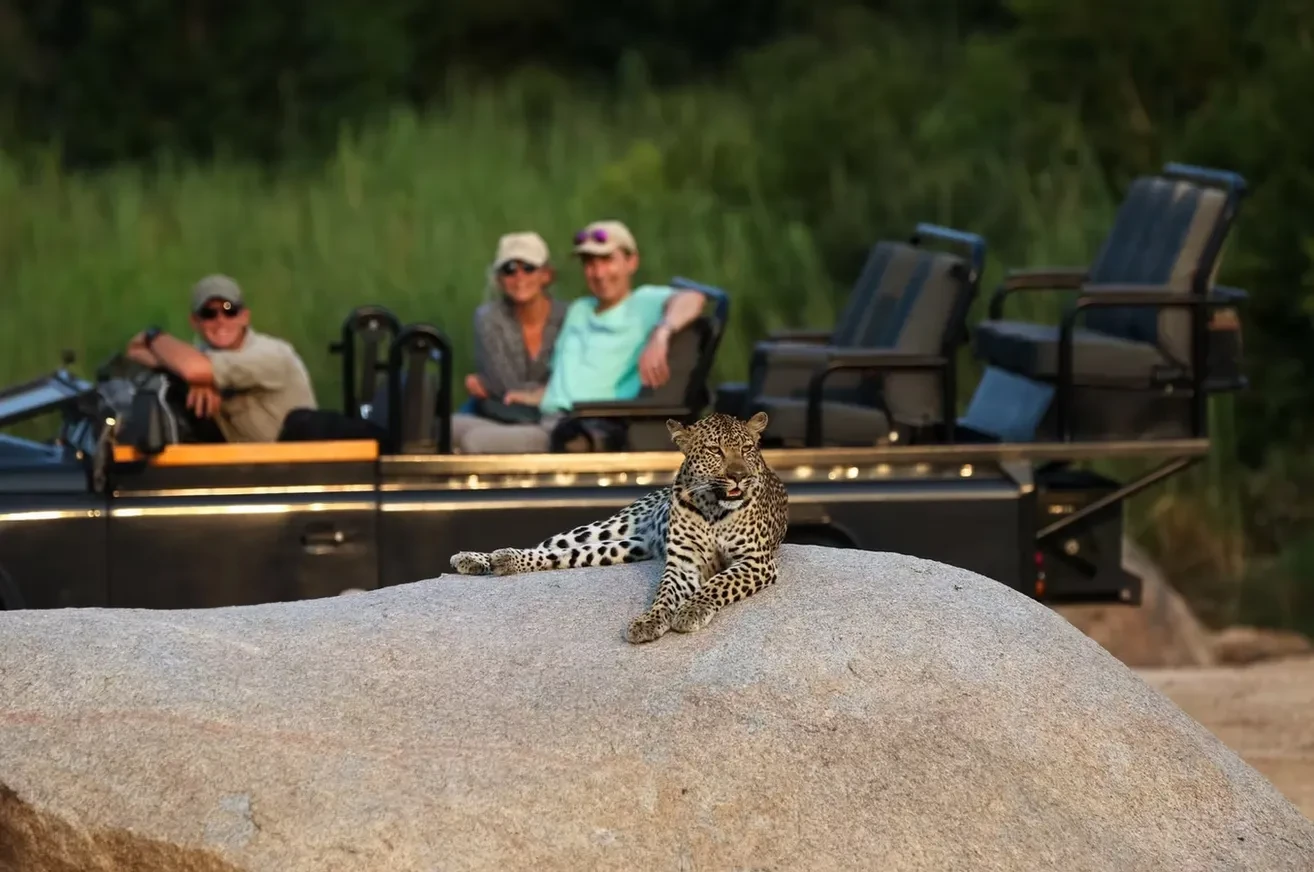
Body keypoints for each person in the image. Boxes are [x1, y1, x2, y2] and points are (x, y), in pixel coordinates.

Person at [452, 219, 707, 453]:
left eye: (607, 260)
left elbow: (694, 298)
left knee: (473, 442)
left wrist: (661, 333)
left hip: (579, 428)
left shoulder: (644, 303)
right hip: (546, 415)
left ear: (631, 262)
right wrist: (535, 394)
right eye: (590, 263)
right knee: (446, 428)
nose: (598, 273)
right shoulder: (580, 309)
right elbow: (569, 377)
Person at [124, 274, 317, 443]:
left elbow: (192, 369)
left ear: (244, 317)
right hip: (242, 464)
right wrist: (193, 378)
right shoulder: (202, 355)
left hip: (295, 463)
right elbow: (135, 350)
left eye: (229, 310)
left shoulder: (271, 354)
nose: (220, 320)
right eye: (209, 313)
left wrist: (155, 336)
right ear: (195, 322)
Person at [461, 232, 568, 421]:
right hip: (505, 412)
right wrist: (546, 390)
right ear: (500, 279)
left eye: (528, 268)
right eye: (509, 269)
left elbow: (573, 380)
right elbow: (504, 386)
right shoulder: (488, 319)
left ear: (546, 275)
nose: (519, 277)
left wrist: (545, 394)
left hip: (558, 413)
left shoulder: (569, 317)